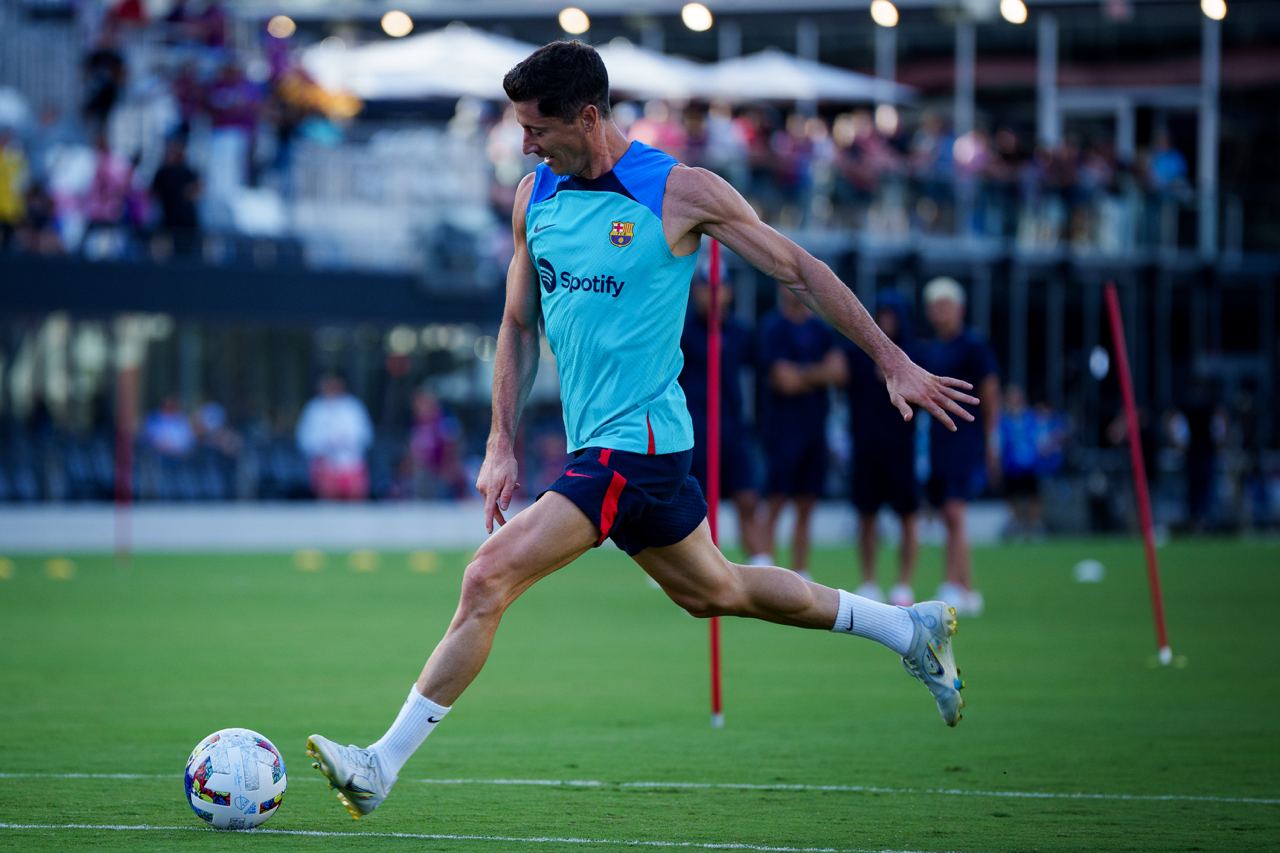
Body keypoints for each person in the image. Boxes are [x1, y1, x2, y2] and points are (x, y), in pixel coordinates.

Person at [305, 41, 977, 821]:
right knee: (716, 589)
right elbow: (518, 325)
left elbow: (796, 268)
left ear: (588, 116)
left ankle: (379, 765)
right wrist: (500, 443)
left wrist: (891, 358)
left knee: (487, 576)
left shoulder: (679, 191)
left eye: (537, 127)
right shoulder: (536, 197)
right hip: (609, 447)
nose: (524, 143)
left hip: (642, 445)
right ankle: (909, 628)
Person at [679, 257, 769, 564]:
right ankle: (696, 568)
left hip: (731, 428)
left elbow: (762, 372)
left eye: (719, 288)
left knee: (747, 498)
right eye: (707, 288)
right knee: (696, 504)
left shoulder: (740, 333)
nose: (713, 295)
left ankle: (760, 565)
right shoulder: (684, 331)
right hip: (694, 431)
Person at [920, 277, 1000, 616]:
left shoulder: (973, 346)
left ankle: (958, 584)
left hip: (964, 438)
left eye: (946, 305)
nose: (941, 312)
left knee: (955, 511)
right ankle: (960, 584)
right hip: (939, 440)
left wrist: (990, 438)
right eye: (935, 306)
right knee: (948, 516)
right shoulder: (930, 349)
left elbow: (990, 391)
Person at [759, 285, 845, 579]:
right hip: (783, 429)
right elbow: (784, 381)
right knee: (775, 499)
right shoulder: (773, 328)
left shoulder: (821, 330)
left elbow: (839, 373)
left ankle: (799, 570)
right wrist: (819, 374)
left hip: (814, 428)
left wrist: (803, 374)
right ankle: (765, 565)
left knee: (806, 503)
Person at [844, 292, 921, 607]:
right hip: (866, 447)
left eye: (892, 315)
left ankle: (904, 583)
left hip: (901, 448)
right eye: (882, 315)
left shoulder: (913, 355)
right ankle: (869, 580)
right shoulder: (858, 354)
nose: (887, 321)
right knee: (866, 517)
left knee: (907, 517)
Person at [295, 372, 373, 501]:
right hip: (324, 466)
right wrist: (323, 447)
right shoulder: (314, 409)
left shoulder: (353, 407)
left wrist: (345, 443)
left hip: (351, 464)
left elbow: (365, 436)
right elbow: (305, 439)